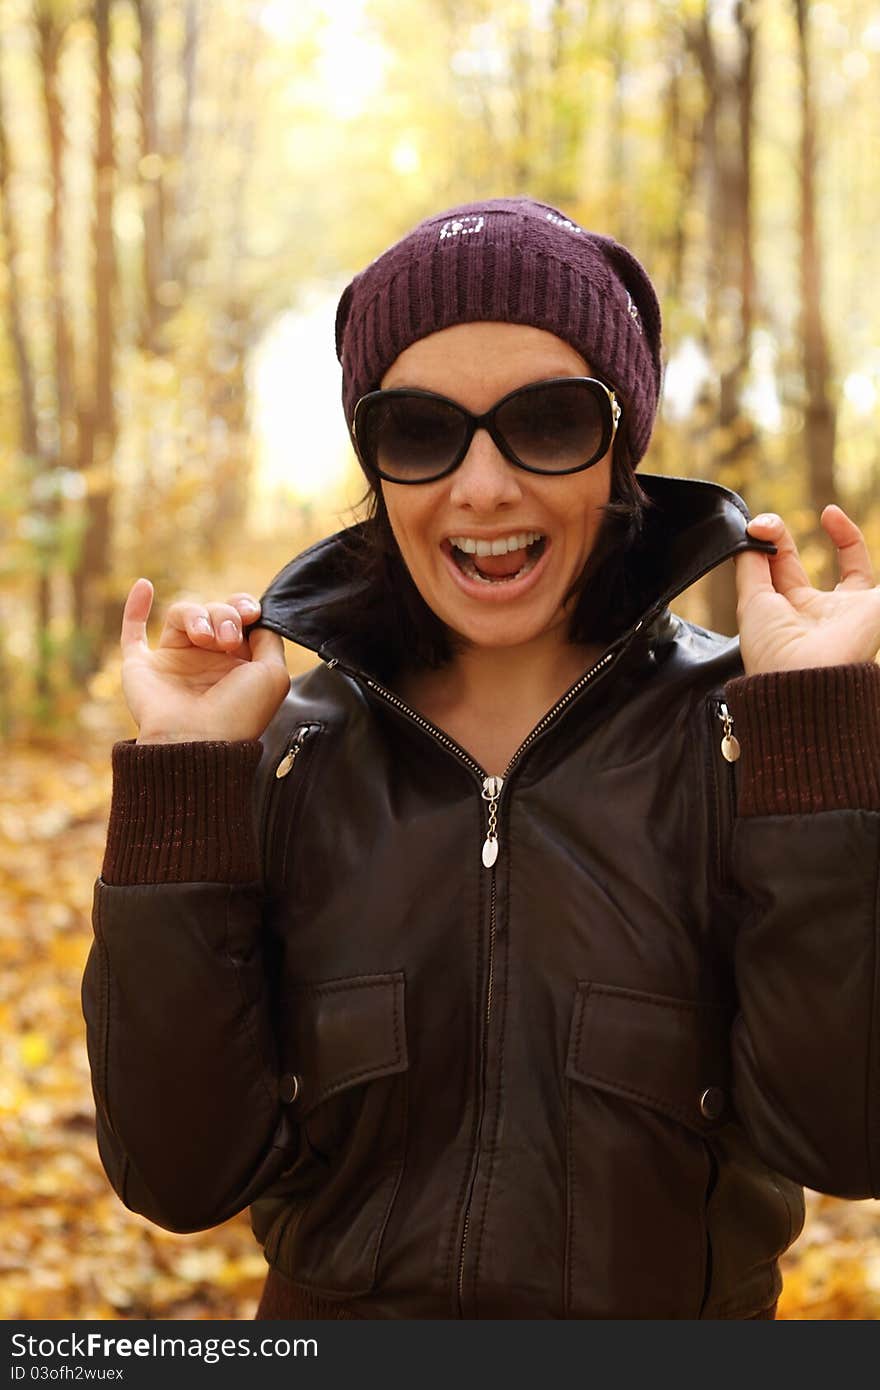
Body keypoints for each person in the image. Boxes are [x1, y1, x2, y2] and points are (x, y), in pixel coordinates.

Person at [82, 196, 880, 1321]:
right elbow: (176, 1175)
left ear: (620, 449)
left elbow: (846, 1140)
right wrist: (181, 778)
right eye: (420, 430)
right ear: (375, 462)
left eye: (547, 422)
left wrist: (812, 726)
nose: (484, 486)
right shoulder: (284, 761)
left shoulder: (748, 739)